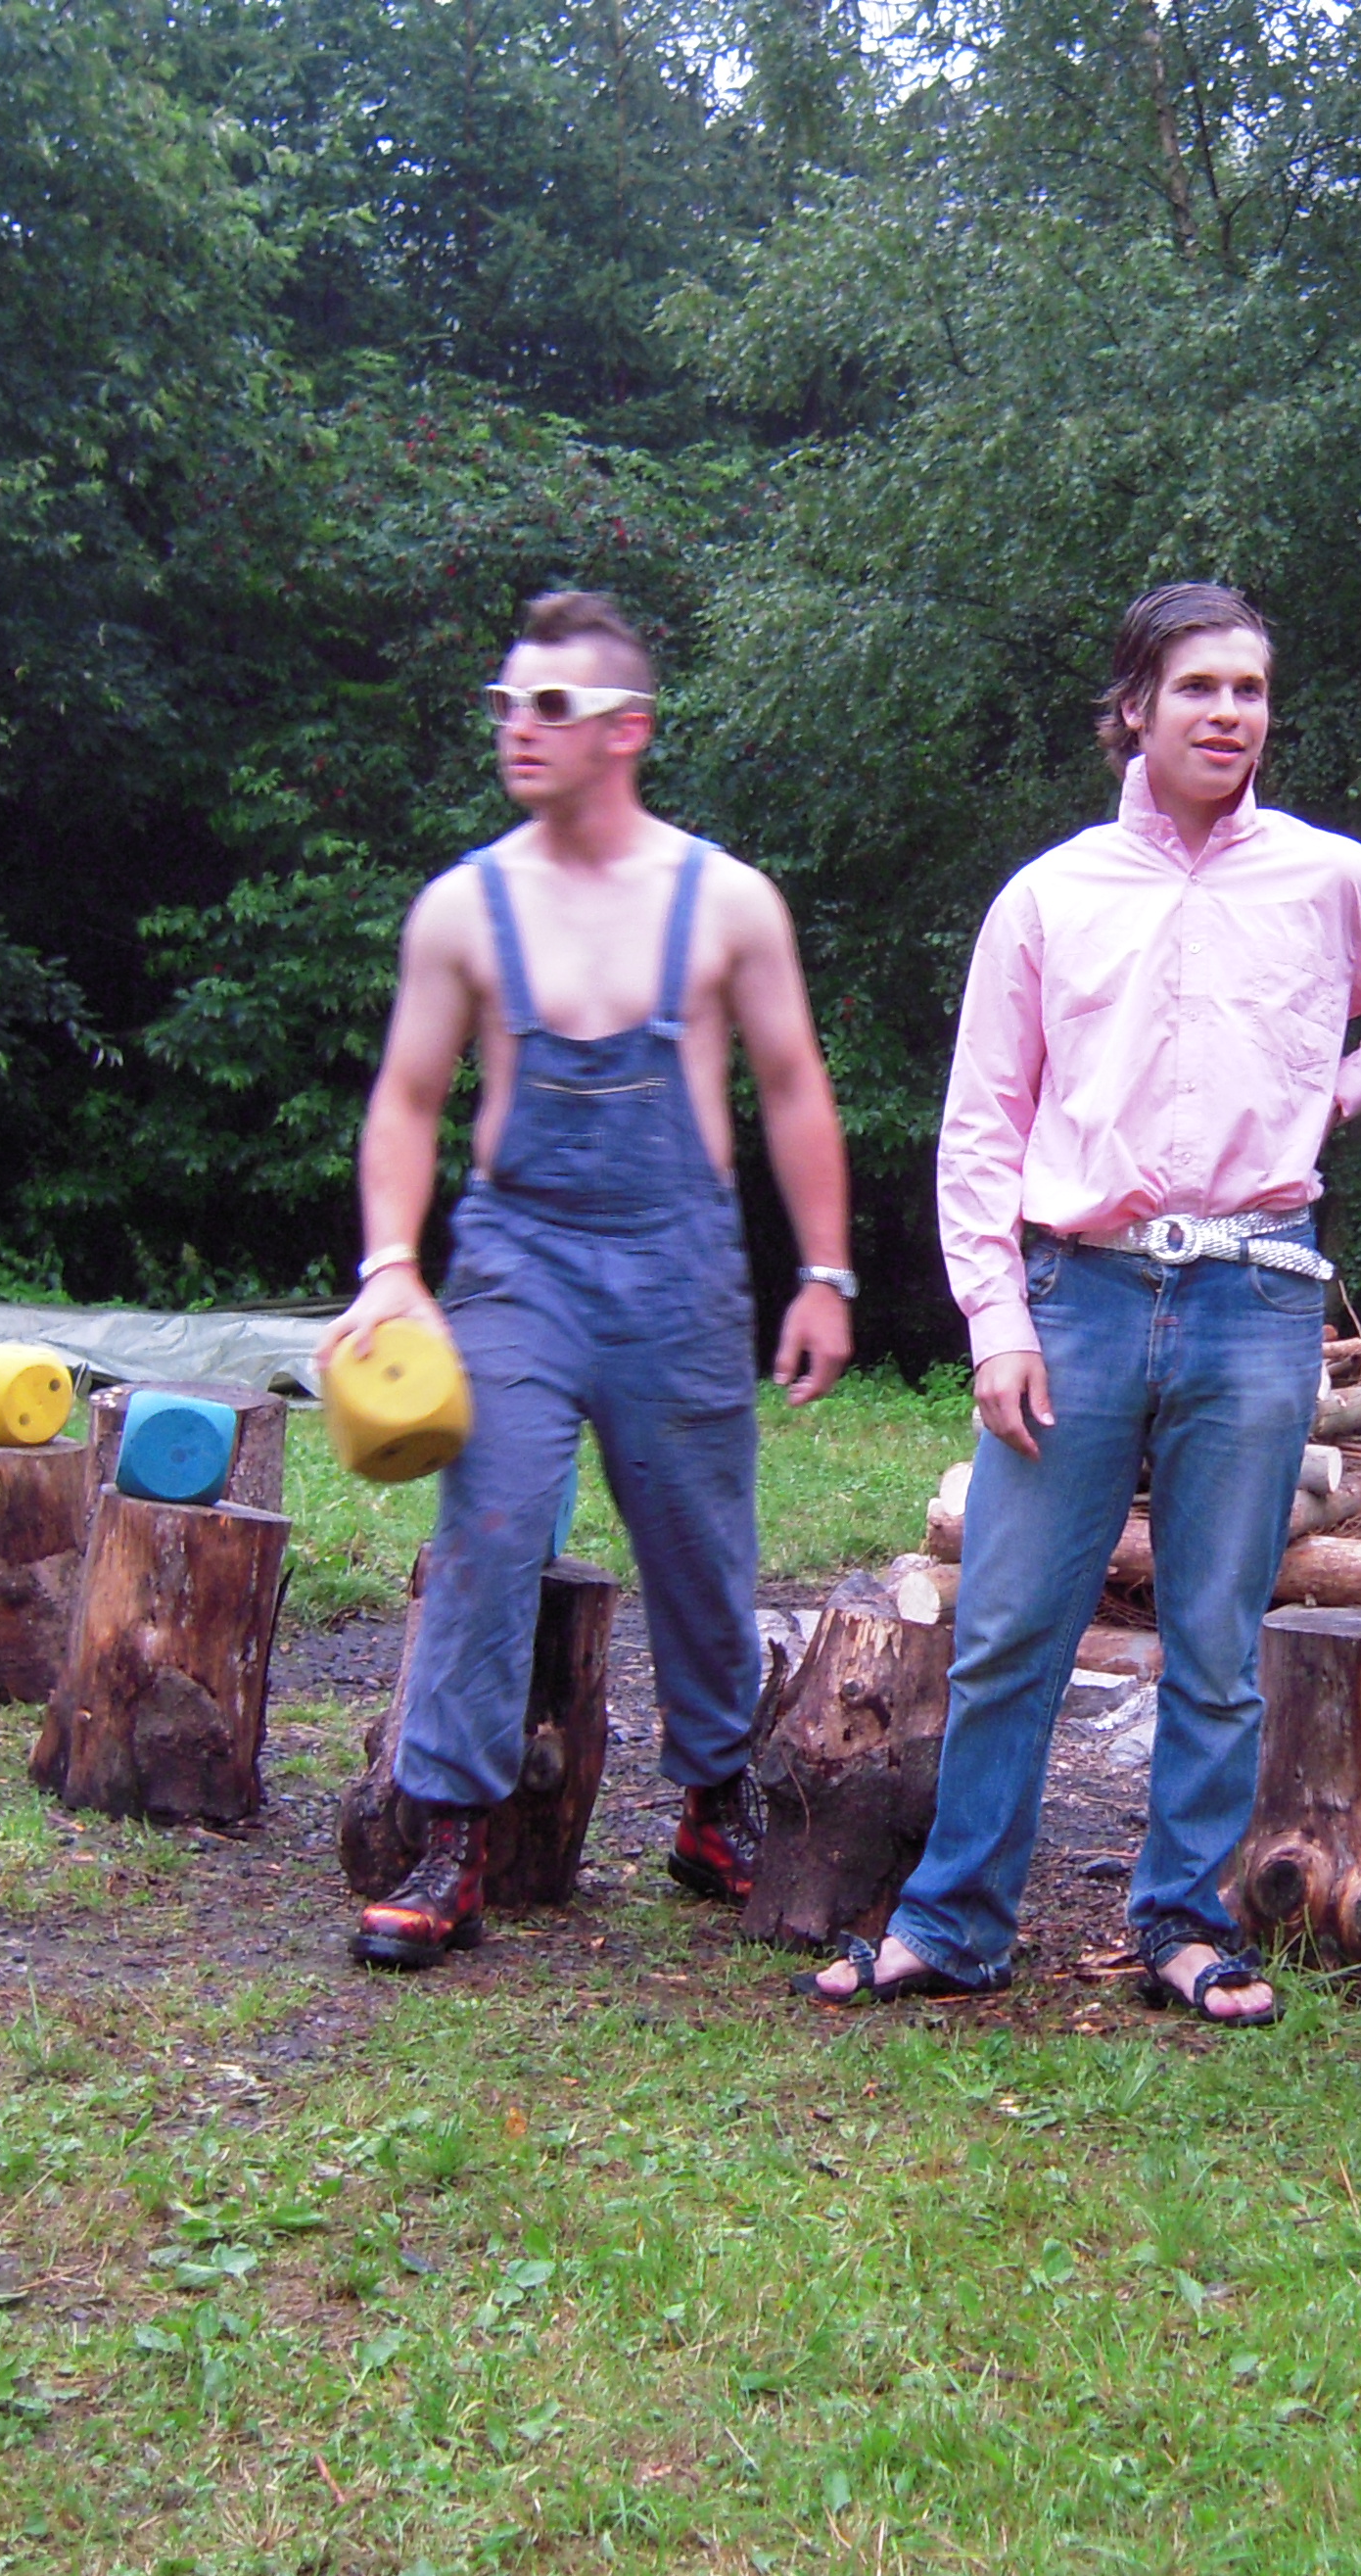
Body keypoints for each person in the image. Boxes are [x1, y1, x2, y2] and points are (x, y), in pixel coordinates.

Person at [798, 583, 1361, 2023]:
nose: (1229, 714)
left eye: (1250, 689)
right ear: (1135, 708)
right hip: (1079, 1297)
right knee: (1009, 1627)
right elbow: (982, 1124)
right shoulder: (1050, 896)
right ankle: (956, 1922)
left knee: (1217, 1644)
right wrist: (996, 1320)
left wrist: (1339, 1089)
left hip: (1257, 1294)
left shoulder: (1328, 880)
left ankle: (1183, 1922)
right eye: (1198, 688)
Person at [326, 591, 859, 1970]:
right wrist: (391, 1268)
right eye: (503, 703)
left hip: (679, 1260)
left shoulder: (724, 900)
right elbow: (406, 1100)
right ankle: (451, 1837)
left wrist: (826, 1274)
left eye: (549, 706)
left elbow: (794, 1088)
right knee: (491, 1521)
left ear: (628, 729)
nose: (518, 726)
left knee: (699, 1539)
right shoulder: (465, 906)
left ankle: (715, 1805)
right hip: (519, 1257)